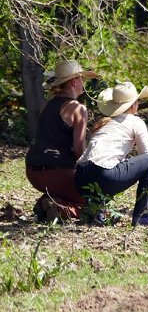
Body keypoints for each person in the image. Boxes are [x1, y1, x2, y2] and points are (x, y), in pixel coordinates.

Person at [74, 82, 148, 226]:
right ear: (134, 104)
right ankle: (144, 216)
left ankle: (95, 213)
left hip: (80, 178)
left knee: (109, 168)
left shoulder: (105, 123)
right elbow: (147, 155)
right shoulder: (135, 121)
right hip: (104, 175)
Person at [26, 59, 100, 222]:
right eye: (82, 79)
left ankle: (50, 202)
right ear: (74, 81)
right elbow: (79, 148)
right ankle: (60, 207)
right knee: (95, 201)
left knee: (70, 190)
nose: (83, 82)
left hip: (33, 172)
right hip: (59, 173)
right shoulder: (79, 108)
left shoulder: (46, 105)